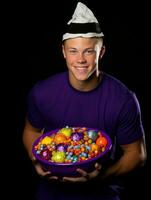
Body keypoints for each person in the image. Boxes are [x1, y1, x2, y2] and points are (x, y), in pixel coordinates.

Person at [22, 2, 147, 200]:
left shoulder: (123, 99)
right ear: (64, 52)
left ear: (101, 52)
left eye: (88, 51)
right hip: (50, 194)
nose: (80, 59)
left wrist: (102, 176)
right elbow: (31, 130)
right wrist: (38, 161)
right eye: (73, 51)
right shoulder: (42, 92)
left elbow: (137, 154)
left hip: (102, 194)